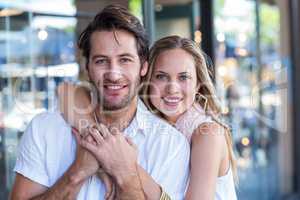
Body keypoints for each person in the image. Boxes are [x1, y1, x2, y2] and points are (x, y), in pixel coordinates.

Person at [10, 5, 190, 200]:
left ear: (143, 66)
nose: (113, 74)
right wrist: (77, 172)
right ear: (87, 67)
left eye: (125, 60)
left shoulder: (171, 144)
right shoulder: (44, 129)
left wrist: (125, 174)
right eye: (101, 61)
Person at [60, 35, 238, 200]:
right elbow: (65, 91)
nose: (172, 88)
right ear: (146, 78)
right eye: (161, 77)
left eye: (183, 77)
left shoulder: (208, 134)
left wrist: (120, 163)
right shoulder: (148, 118)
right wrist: (99, 139)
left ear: (198, 84)